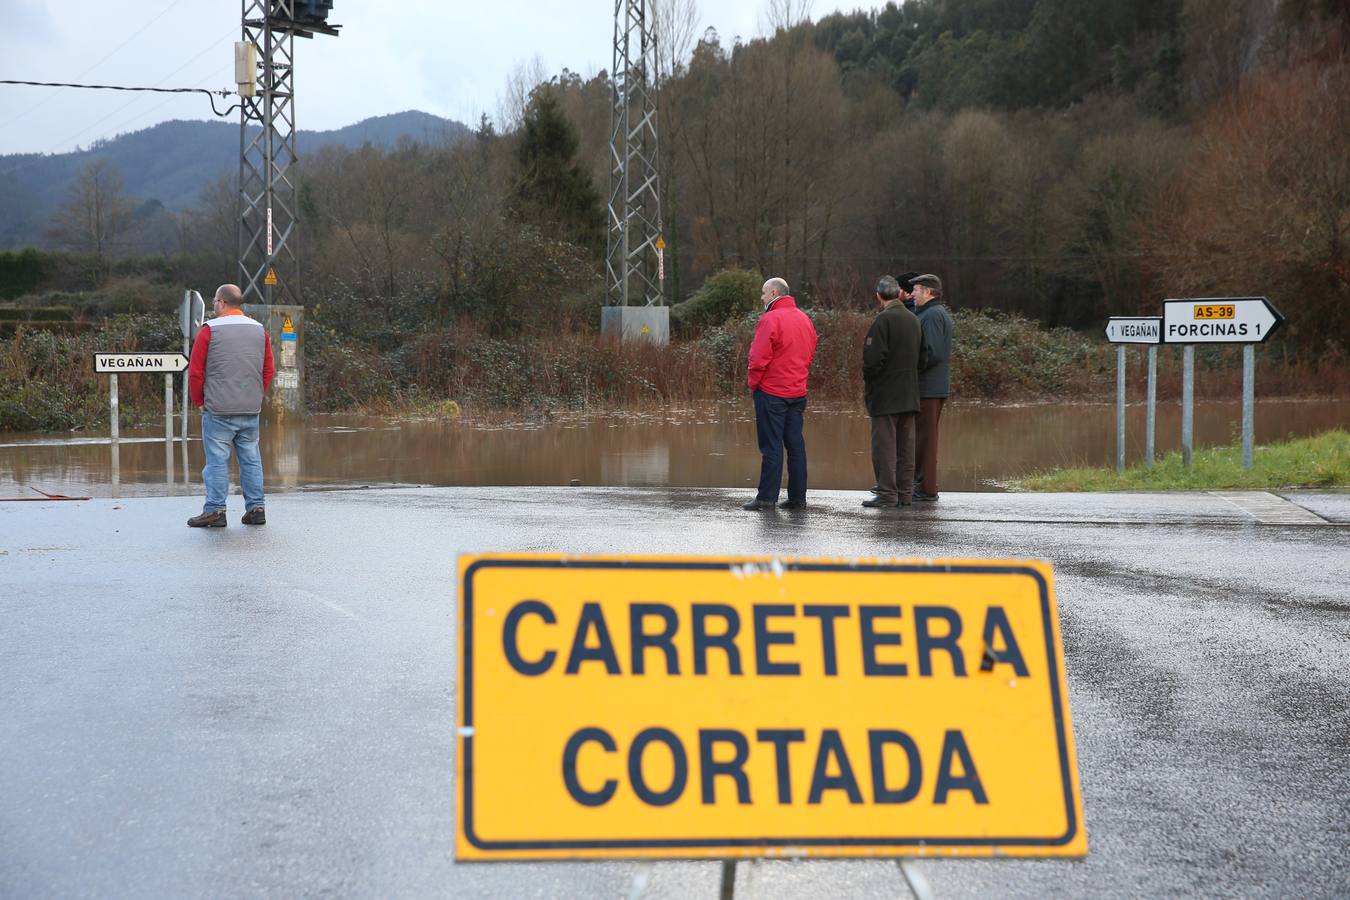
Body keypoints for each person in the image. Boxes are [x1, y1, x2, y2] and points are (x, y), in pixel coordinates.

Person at [186, 284, 275, 527]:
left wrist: (199, 401)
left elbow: (196, 372)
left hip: (218, 409)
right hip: (250, 408)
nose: (214, 305)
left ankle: (215, 511)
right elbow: (268, 369)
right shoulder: (260, 330)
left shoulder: (209, 330)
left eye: (215, 301)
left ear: (222, 302)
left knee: (217, 461)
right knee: (251, 459)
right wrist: (256, 395)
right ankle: (256, 509)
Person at [743, 277, 818, 510]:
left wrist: (754, 384)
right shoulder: (804, 319)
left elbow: (758, 358)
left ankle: (767, 497)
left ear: (774, 293)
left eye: (763, 293)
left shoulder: (770, 319)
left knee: (771, 446)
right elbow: (810, 353)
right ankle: (797, 497)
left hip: (772, 392)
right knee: (795, 446)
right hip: (797, 392)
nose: (762, 297)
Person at [861, 275, 927, 508]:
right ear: (899, 294)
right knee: (906, 448)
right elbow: (924, 358)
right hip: (909, 394)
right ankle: (905, 494)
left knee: (885, 446)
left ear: (878, 295)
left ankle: (887, 494)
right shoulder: (914, 319)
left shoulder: (883, 320)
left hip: (885, 396)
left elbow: (872, 361)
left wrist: (871, 384)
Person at [912, 274, 953, 501]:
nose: (913, 294)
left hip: (929, 388)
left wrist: (911, 369)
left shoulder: (932, 315)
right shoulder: (929, 313)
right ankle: (919, 484)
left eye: (916, 289)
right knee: (921, 438)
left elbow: (932, 352)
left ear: (928, 292)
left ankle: (926, 488)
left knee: (926, 440)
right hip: (929, 387)